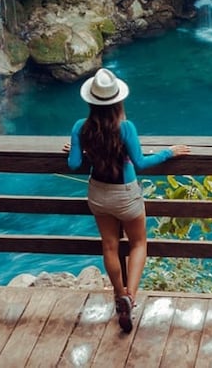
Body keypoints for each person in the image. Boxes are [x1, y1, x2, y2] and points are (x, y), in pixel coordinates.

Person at [64, 68, 190, 333]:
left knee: (110, 246)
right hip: (125, 195)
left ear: (91, 101)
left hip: (98, 194)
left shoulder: (80, 128)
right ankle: (129, 298)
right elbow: (142, 162)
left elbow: (74, 163)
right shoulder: (126, 128)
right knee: (138, 243)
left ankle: (118, 292)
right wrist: (170, 152)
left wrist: (82, 149)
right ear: (118, 100)